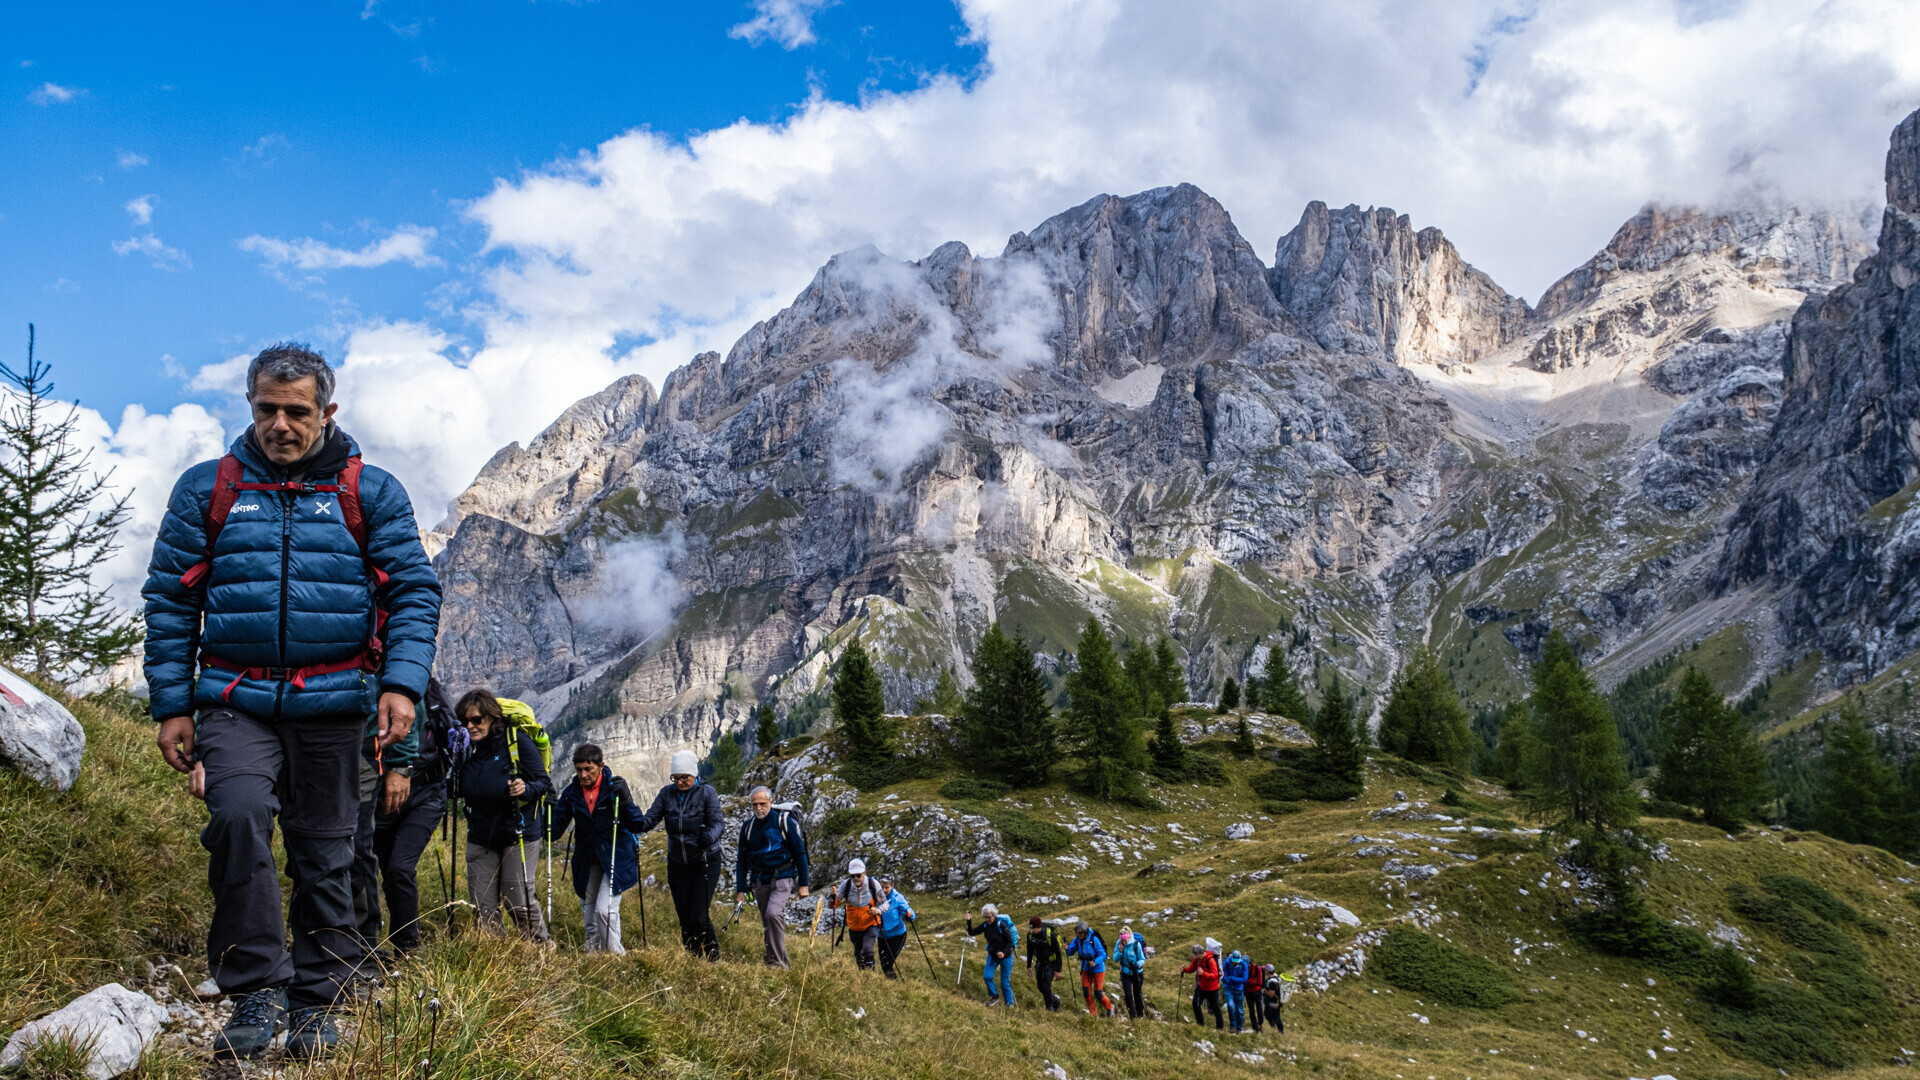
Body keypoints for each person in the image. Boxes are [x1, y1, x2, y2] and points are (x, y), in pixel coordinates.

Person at [145, 344, 440, 1060]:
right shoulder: (205, 490)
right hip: (233, 699)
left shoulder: (371, 493)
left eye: (297, 411)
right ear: (250, 406)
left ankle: (317, 999)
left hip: (336, 702)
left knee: (328, 850)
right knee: (240, 818)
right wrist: (172, 703)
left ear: (327, 412)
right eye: (267, 409)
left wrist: (400, 683)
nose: (281, 424)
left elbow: (413, 591)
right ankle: (255, 988)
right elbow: (170, 599)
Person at [456, 692, 554, 942]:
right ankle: (497, 960)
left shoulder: (515, 741)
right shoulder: (464, 750)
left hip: (518, 832)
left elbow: (543, 782)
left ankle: (541, 952)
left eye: (476, 720)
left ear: (491, 718)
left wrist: (525, 789)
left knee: (517, 900)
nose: (470, 726)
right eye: (464, 721)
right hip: (480, 835)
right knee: (483, 905)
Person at [548, 743, 647, 953]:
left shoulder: (614, 789)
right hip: (586, 861)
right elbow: (553, 832)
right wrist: (546, 809)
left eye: (588, 769)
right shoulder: (571, 793)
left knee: (604, 910)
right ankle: (592, 957)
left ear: (601, 766)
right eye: (578, 770)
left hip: (614, 858)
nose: (582, 775)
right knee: (589, 911)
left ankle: (616, 956)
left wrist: (627, 799)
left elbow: (638, 824)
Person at [637, 750, 725, 959]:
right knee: (685, 918)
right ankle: (694, 960)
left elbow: (718, 823)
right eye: (676, 778)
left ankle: (714, 959)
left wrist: (708, 837)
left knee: (699, 917)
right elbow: (649, 820)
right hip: (677, 863)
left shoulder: (707, 793)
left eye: (684, 777)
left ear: (694, 775)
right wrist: (631, 820)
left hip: (704, 861)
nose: (680, 782)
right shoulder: (666, 793)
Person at [733, 786, 810, 967]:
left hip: (783, 875)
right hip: (760, 879)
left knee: (773, 913)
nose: (758, 808)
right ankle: (774, 960)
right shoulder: (748, 827)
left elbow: (800, 853)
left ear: (771, 803)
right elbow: (741, 861)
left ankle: (778, 964)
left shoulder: (783, 822)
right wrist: (741, 889)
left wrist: (803, 884)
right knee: (767, 920)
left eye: (762, 804)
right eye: (755, 805)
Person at [830, 860, 889, 971]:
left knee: (867, 949)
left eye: (858, 875)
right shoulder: (846, 885)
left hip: (871, 924)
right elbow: (833, 905)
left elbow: (885, 903)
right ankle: (863, 975)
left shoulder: (873, 884)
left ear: (864, 872)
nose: (856, 878)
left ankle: (870, 975)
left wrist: (878, 910)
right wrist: (832, 896)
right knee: (858, 953)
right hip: (853, 927)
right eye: (853, 875)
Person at [965, 903, 1017, 1006]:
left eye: (989, 917)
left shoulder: (1001, 925)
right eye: (985, 917)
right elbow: (972, 932)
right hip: (993, 955)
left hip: (1006, 956)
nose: (987, 919)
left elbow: (1010, 941)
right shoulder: (985, 925)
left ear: (994, 915)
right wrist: (968, 920)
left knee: (1004, 983)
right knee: (987, 977)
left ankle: (1009, 1005)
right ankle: (995, 997)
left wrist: (1004, 953)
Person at [1064, 921, 1115, 1017]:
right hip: (1085, 969)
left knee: (1098, 993)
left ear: (1085, 932)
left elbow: (1103, 955)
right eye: (1077, 933)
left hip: (1097, 969)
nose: (1078, 935)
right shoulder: (1077, 940)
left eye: (1080, 933)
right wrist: (1067, 949)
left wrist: (1095, 962)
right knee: (1086, 993)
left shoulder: (1094, 939)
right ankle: (1093, 1014)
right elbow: (1070, 952)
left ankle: (1110, 1007)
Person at [875, 878, 917, 978]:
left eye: (887, 887)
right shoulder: (876, 897)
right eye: (882, 887)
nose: (884, 890)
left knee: (887, 962)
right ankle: (892, 984)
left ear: (892, 886)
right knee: (884, 963)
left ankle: (893, 984)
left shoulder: (897, 898)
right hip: (882, 935)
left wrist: (909, 914)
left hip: (897, 935)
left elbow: (908, 912)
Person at [1025, 916, 1064, 1011]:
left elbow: (1058, 953)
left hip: (1051, 963)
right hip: (1039, 962)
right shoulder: (1030, 936)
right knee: (1040, 987)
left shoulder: (1049, 935)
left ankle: (1049, 1008)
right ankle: (1055, 1000)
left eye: (1034, 928)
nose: (1032, 930)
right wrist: (1029, 966)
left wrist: (1058, 970)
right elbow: (1029, 951)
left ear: (1039, 927)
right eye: (1031, 928)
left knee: (1046, 987)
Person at [1182, 944, 1224, 1029]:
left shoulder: (1211, 960)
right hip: (1201, 987)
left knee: (1215, 1008)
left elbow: (1215, 975)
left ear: (1201, 953)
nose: (1195, 957)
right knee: (1195, 1004)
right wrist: (1184, 970)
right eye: (1194, 955)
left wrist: (1204, 973)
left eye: (1196, 955)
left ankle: (1220, 1028)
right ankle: (1200, 1024)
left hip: (1212, 988)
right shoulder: (1196, 959)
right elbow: (1191, 969)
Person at [1114, 926, 1148, 1019]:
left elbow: (1142, 959)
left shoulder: (1136, 944)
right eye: (1122, 940)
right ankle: (1133, 1017)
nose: (1124, 942)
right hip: (1125, 973)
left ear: (1129, 937)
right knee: (1128, 995)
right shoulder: (1119, 944)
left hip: (1137, 972)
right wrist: (1120, 951)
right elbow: (1115, 959)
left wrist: (1137, 964)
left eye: (1125, 940)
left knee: (1137, 994)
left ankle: (1140, 1014)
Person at [1221, 949, 1250, 1033]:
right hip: (1229, 988)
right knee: (1230, 1006)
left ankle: (1239, 1028)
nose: (1235, 963)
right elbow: (1224, 977)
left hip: (1238, 989)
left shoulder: (1244, 965)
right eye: (1234, 961)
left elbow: (1244, 980)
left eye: (1237, 961)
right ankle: (1233, 1026)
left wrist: (1232, 978)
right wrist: (1233, 980)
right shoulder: (1226, 963)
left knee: (1239, 1010)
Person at [1245, 958, 1272, 1034]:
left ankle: (1261, 1024)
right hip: (1248, 993)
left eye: (1248, 966)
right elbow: (1244, 980)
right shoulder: (1244, 968)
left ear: (1251, 963)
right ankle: (1255, 1027)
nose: (1247, 968)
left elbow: (1258, 982)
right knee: (1251, 1011)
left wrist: (1247, 981)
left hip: (1257, 992)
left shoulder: (1258, 968)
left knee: (1259, 1009)